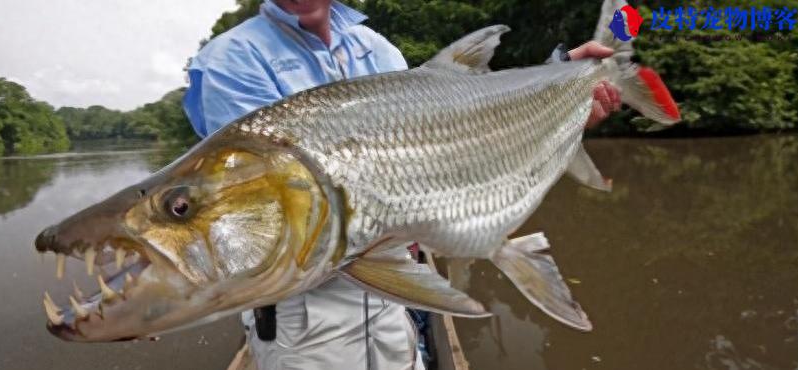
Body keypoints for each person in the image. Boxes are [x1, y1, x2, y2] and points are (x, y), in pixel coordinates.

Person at [182, 1, 620, 369]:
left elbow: (443, 135)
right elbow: (253, 217)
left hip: (393, 292)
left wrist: (563, 82)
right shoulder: (231, 59)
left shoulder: (376, 47)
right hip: (305, 314)